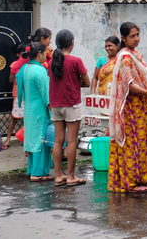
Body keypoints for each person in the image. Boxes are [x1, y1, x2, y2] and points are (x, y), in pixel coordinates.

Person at [108, 22, 147, 193]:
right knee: (134, 143)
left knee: (144, 141)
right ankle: (132, 181)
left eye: (138, 35)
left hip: (142, 107)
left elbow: (137, 74)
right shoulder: (125, 56)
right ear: (123, 38)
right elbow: (129, 85)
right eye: (132, 36)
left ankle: (144, 178)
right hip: (132, 108)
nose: (136, 39)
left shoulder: (134, 54)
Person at [49, 29, 90, 187]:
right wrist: (76, 82)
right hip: (71, 104)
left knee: (58, 141)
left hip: (56, 105)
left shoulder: (53, 62)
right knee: (71, 141)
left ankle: (58, 176)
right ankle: (71, 176)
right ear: (72, 43)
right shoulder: (75, 61)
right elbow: (86, 82)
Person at [16, 42, 53, 182]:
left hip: (29, 108)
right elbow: (47, 95)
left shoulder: (25, 67)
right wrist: (53, 110)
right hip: (39, 110)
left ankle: (31, 169)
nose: (46, 56)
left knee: (32, 138)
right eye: (45, 53)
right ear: (39, 54)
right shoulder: (40, 71)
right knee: (41, 139)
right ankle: (38, 173)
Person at [2, 42, 28, 150]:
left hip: (29, 94)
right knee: (14, 117)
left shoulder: (30, 64)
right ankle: (8, 139)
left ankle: (25, 138)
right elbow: (11, 80)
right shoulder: (14, 64)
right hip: (18, 94)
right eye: (23, 52)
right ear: (18, 54)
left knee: (28, 118)